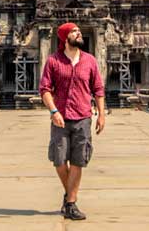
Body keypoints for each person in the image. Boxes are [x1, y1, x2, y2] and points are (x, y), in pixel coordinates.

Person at [39, 22, 106, 220]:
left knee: (78, 160)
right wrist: (53, 111)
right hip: (60, 117)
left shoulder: (90, 61)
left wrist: (101, 114)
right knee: (59, 160)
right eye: (74, 31)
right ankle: (70, 194)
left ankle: (71, 203)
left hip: (83, 116)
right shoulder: (53, 61)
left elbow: (98, 90)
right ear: (65, 37)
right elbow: (44, 89)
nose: (78, 33)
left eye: (79, 30)